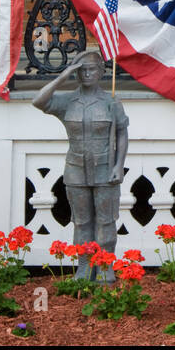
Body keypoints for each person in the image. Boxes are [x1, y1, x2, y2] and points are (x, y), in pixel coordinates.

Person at [32, 49, 129, 282]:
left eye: (92, 69)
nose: (87, 74)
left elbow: (122, 134)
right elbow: (38, 101)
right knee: (82, 221)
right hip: (76, 170)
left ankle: (105, 265)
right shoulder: (67, 102)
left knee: (106, 220)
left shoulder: (111, 101)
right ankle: (84, 266)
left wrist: (119, 165)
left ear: (101, 72)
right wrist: (62, 77)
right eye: (82, 70)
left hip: (105, 169)